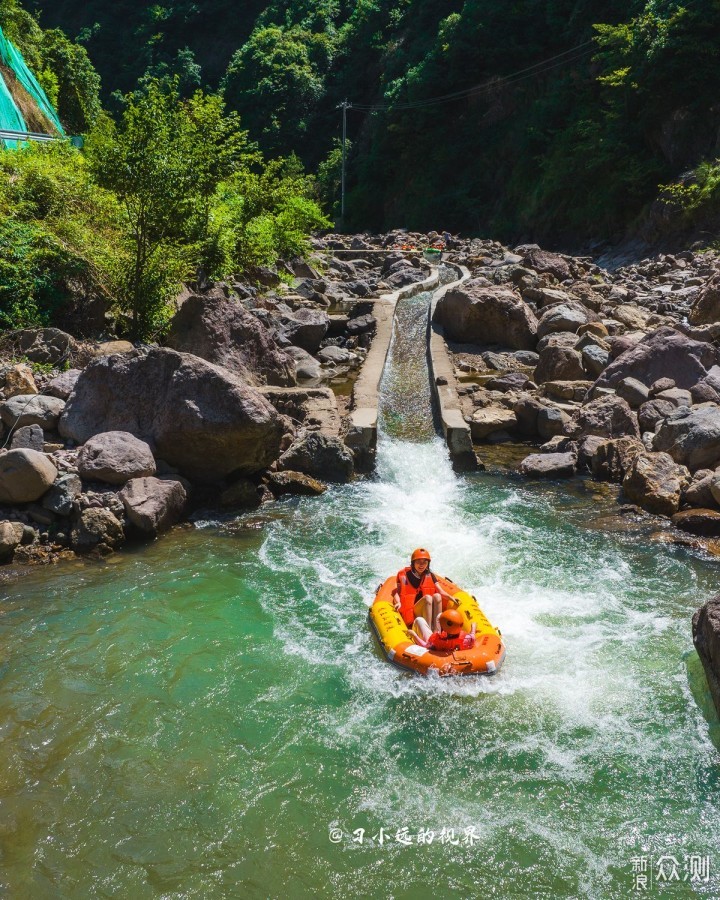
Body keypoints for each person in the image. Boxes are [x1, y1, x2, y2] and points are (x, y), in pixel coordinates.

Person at [391, 548, 455, 632]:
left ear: (428, 563)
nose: (421, 565)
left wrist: (452, 598)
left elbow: (440, 591)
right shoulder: (403, 575)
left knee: (437, 596)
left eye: (424, 562)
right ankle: (427, 632)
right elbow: (396, 592)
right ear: (413, 563)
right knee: (428, 598)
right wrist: (398, 602)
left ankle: (437, 631)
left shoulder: (430, 575)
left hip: (427, 611)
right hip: (412, 611)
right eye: (418, 562)